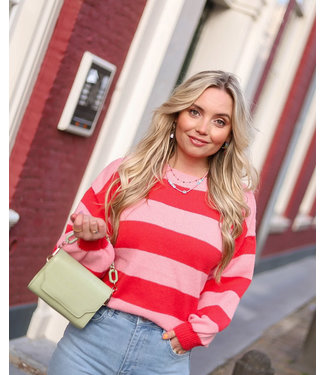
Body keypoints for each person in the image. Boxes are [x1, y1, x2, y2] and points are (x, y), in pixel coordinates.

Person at [48, 70, 258, 375]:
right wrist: (90, 241)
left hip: (164, 354)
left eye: (219, 121)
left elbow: (232, 278)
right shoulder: (126, 173)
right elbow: (69, 250)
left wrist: (195, 333)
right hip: (92, 339)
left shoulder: (238, 201)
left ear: (229, 135)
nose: (202, 128)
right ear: (176, 115)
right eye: (195, 111)